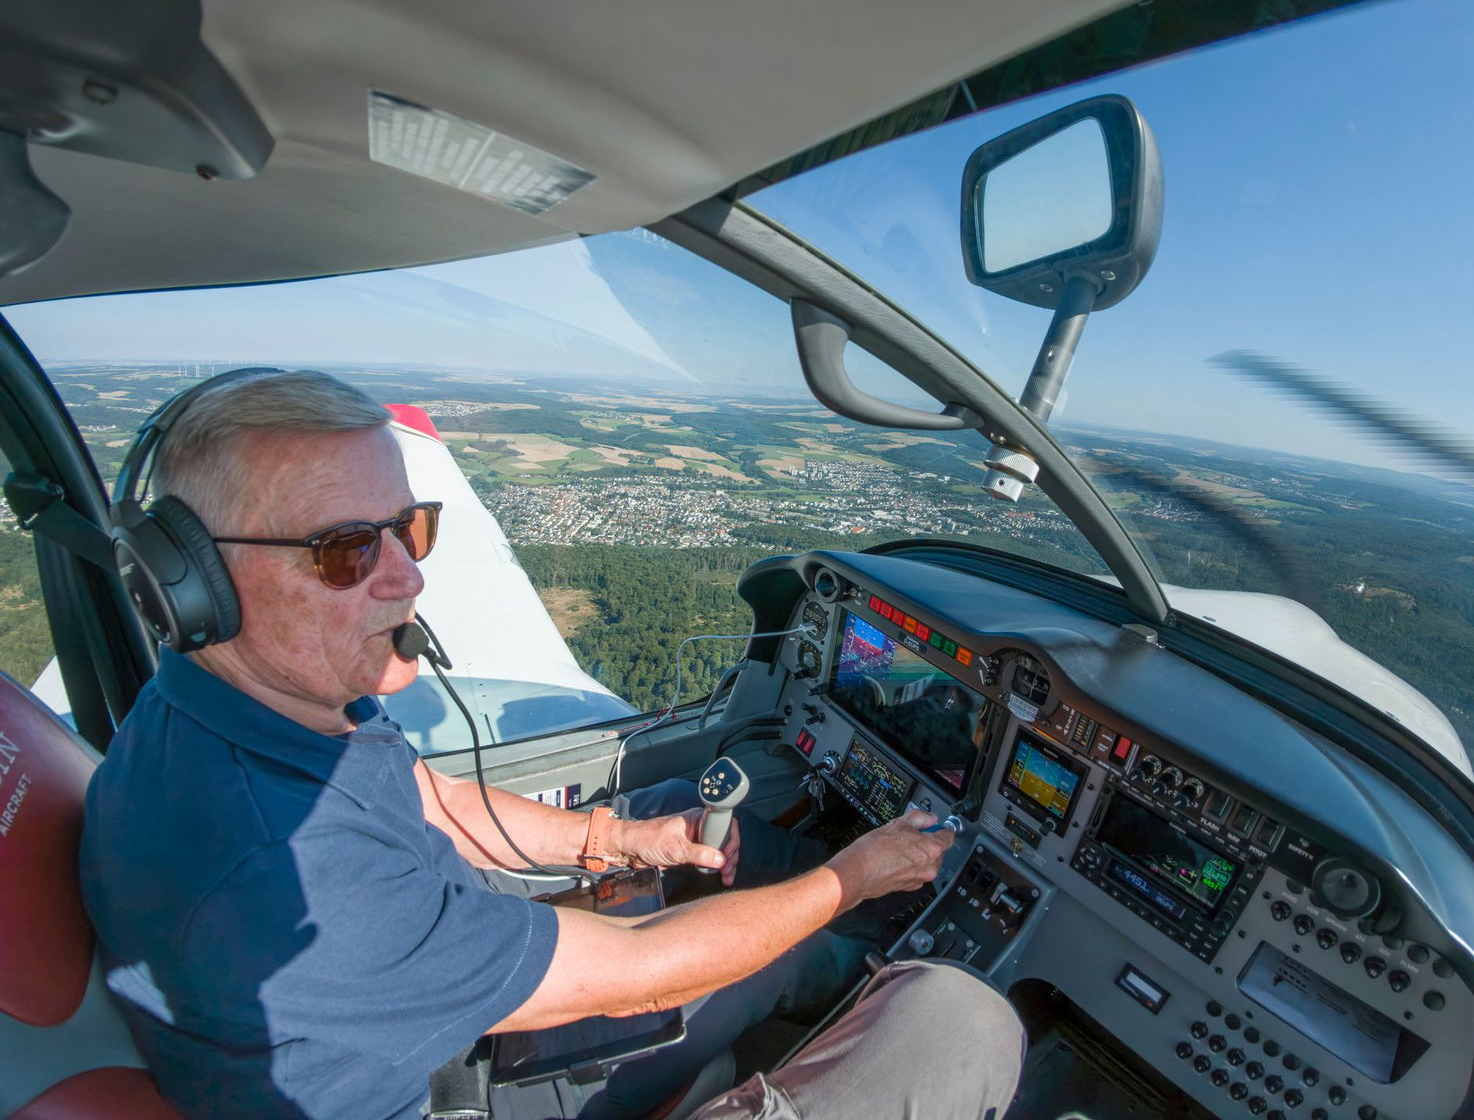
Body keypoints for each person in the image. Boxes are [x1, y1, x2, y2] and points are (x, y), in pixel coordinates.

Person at [79, 370, 1024, 1120]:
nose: (409, 580)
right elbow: (633, 972)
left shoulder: (259, 705)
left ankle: (832, 966)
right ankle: (864, 969)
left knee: (675, 820)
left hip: (427, 1014)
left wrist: (622, 841)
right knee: (957, 1021)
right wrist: (852, 878)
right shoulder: (278, 868)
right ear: (192, 584)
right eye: (345, 551)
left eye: (410, 530)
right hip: (466, 1088)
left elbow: (436, 802)